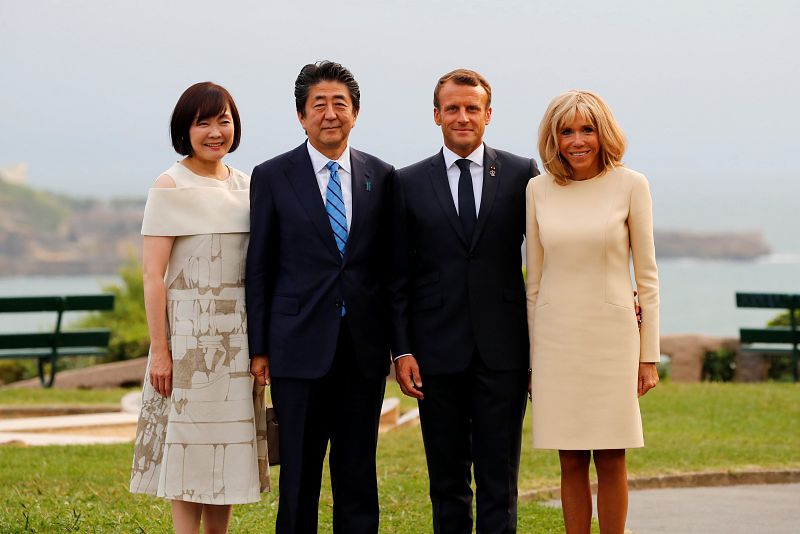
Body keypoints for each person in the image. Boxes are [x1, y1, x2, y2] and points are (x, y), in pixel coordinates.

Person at [245, 61, 394, 534]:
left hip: (363, 351)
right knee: (300, 479)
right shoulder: (272, 176)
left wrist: (398, 343)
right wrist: (260, 348)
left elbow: (389, 269)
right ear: (301, 116)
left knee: (357, 475)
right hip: (296, 348)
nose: (330, 114)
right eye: (319, 105)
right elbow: (260, 266)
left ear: (356, 113)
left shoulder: (381, 176)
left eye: (340, 104)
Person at [390, 69, 538, 533]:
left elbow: (548, 257)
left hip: (504, 353)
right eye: (452, 108)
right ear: (436, 115)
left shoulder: (521, 174)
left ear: (488, 115)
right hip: (435, 353)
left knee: (500, 479)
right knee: (447, 481)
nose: (462, 116)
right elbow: (397, 276)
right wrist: (402, 349)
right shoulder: (407, 181)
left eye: (472, 108)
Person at [130, 82, 270, 533]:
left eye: (223, 120)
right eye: (203, 122)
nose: (215, 132)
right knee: (189, 453)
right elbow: (153, 275)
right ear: (185, 129)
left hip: (240, 341)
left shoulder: (249, 186)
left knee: (228, 453)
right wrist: (162, 351)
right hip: (187, 342)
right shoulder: (170, 185)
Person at [525, 90, 660, 534]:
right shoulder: (538, 189)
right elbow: (535, 281)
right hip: (556, 342)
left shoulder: (631, 184)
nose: (577, 140)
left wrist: (648, 355)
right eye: (567, 131)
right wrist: (530, 359)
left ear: (603, 134)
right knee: (569, 459)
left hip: (611, 340)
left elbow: (648, 277)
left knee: (612, 456)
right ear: (554, 138)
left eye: (587, 129)